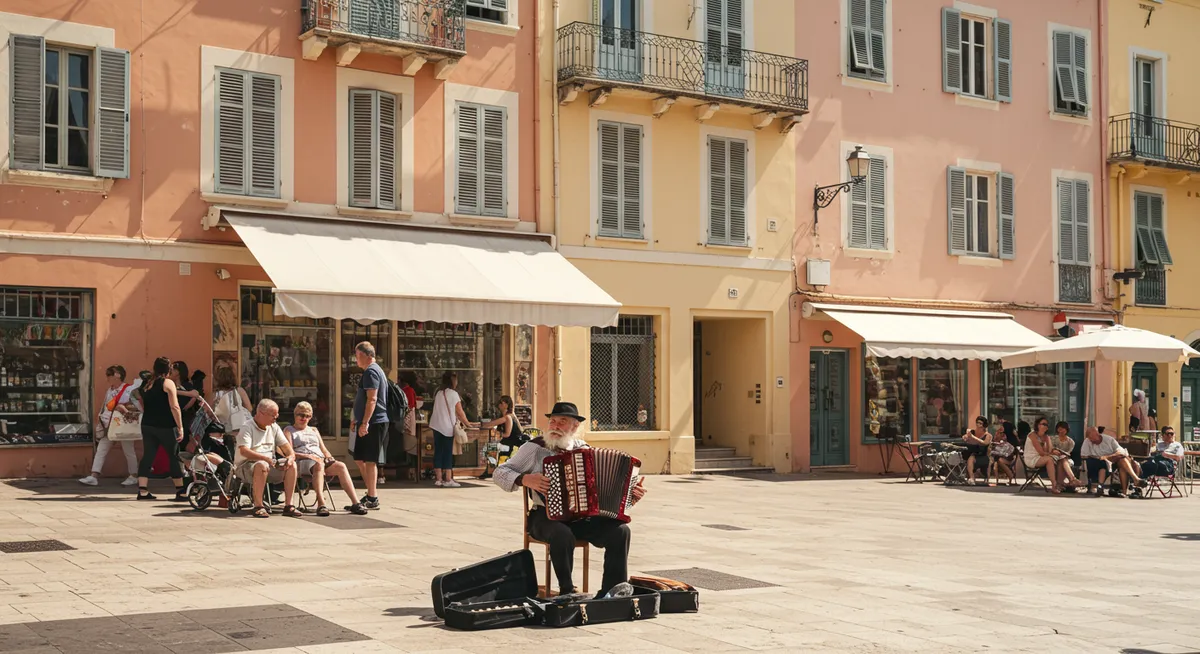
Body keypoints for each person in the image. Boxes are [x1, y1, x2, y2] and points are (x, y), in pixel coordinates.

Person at [494, 401, 647, 599]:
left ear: (574, 427)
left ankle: (611, 591)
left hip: (581, 519)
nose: (555, 426)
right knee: (561, 533)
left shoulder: (585, 450)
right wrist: (525, 479)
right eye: (553, 421)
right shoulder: (534, 447)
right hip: (544, 518)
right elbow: (500, 472)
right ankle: (567, 591)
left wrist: (630, 495)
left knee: (620, 531)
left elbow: (603, 494)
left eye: (562, 422)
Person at [285, 401, 368, 516]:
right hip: (301, 461)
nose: (304, 418)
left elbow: (323, 449)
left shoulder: (314, 430)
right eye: (301, 415)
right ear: (295, 415)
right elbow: (289, 452)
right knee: (318, 464)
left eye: (307, 416)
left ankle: (356, 503)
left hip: (319, 460)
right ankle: (321, 504)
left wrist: (329, 457)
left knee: (341, 466)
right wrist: (309, 456)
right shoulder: (289, 430)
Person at [235, 398, 302, 519]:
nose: (275, 418)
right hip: (247, 466)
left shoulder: (274, 427)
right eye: (273, 415)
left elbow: (287, 448)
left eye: (277, 415)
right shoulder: (247, 427)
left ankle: (289, 505)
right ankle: (258, 506)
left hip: (270, 464)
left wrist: (290, 458)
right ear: (261, 413)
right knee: (261, 465)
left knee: (292, 465)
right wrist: (265, 458)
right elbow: (244, 451)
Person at [135, 357, 188, 502]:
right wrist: (180, 426)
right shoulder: (168, 382)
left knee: (148, 455)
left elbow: (140, 400)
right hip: (165, 425)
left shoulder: (146, 383)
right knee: (174, 456)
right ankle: (180, 491)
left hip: (147, 424)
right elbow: (175, 406)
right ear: (168, 369)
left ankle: (143, 490)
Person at [80, 365, 139, 487]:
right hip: (109, 424)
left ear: (117, 375)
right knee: (102, 449)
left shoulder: (129, 389)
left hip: (123, 425)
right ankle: (94, 475)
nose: (107, 377)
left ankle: (134, 475)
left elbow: (137, 406)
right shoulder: (110, 390)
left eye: (109, 374)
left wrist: (125, 408)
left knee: (129, 450)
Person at [349, 342, 387, 509]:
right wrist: (358, 418)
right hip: (370, 421)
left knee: (370, 460)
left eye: (357, 356)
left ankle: (372, 496)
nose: (356, 359)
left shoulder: (371, 372)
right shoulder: (374, 371)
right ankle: (371, 493)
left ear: (366, 355)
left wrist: (365, 423)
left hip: (374, 421)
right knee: (359, 457)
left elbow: (372, 399)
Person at [430, 371, 476, 488]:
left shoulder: (439, 393)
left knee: (438, 452)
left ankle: (438, 479)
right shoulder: (453, 394)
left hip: (436, 426)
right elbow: (460, 412)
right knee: (447, 453)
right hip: (447, 427)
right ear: (452, 381)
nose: (456, 382)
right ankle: (448, 479)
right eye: (455, 380)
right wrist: (468, 424)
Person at [1081, 426, 1139, 496]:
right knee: (1106, 464)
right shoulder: (1088, 441)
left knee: (1122, 460)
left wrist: (1108, 457)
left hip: (1114, 460)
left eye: (1093, 438)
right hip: (1099, 462)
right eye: (1090, 438)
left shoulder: (1109, 440)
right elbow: (1083, 455)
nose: (1091, 441)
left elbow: (1120, 451)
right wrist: (1099, 457)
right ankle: (1134, 480)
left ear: (1098, 435)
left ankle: (1129, 486)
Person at [1131, 425, 1185, 498]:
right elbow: (1150, 453)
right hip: (1156, 463)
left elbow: (1179, 457)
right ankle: (1137, 487)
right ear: (1163, 436)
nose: (1170, 435)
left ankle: (1136, 484)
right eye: (1168, 434)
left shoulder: (1177, 445)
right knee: (1140, 465)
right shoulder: (1159, 444)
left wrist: (1167, 455)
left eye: (1172, 433)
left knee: (1149, 465)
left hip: (1168, 466)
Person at [480, 395, 523, 479]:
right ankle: (491, 470)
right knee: (489, 447)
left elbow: (507, 434)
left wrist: (496, 432)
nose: (499, 405)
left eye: (501, 403)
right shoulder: (509, 415)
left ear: (506, 405)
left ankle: (490, 470)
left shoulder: (507, 417)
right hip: (509, 443)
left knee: (488, 448)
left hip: (511, 444)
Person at [961, 415, 992, 485]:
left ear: (984, 425)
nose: (978, 425)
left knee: (972, 458)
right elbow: (965, 437)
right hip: (971, 452)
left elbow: (985, 443)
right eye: (977, 423)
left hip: (982, 455)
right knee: (968, 457)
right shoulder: (972, 432)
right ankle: (970, 478)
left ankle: (973, 478)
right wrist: (965, 437)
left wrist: (973, 437)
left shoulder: (988, 435)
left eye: (980, 423)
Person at [988, 421, 1017, 486]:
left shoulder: (1011, 437)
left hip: (1010, 457)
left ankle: (1010, 475)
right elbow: (996, 441)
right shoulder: (1003, 434)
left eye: (1003, 426)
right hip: (1003, 455)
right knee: (995, 459)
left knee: (999, 460)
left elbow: (1008, 449)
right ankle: (993, 478)